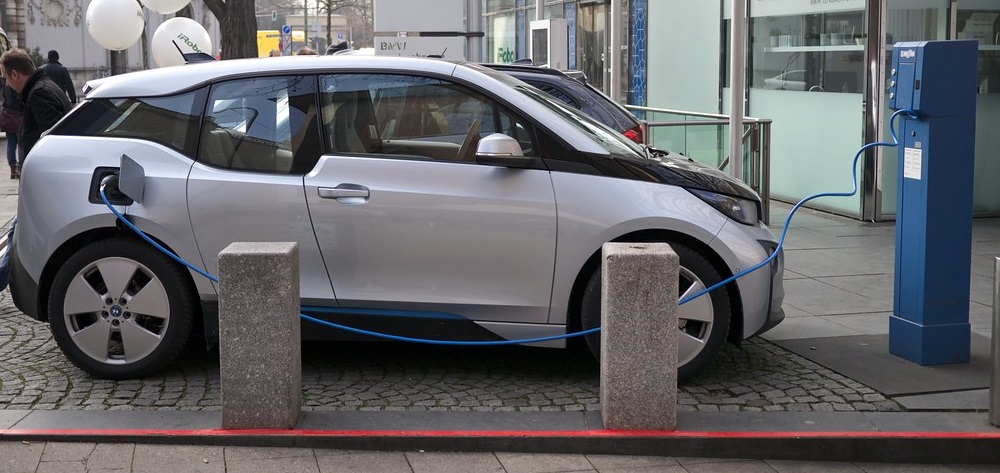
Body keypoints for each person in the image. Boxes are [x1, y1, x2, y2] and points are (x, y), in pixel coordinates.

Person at [0, 48, 72, 292]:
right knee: (16, 231)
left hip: (45, 181)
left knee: (18, 232)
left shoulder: (39, 93)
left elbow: (53, 140)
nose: (7, 84)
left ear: (15, 74)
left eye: (6, 78)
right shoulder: (44, 87)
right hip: (46, 180)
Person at [2, 79, 21, 179]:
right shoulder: (16, 83)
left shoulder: (5, 83)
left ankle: (13, 170)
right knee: (21, 143)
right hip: (18, 116)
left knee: (11, 143)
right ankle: (20, 167)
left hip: (8, 116)